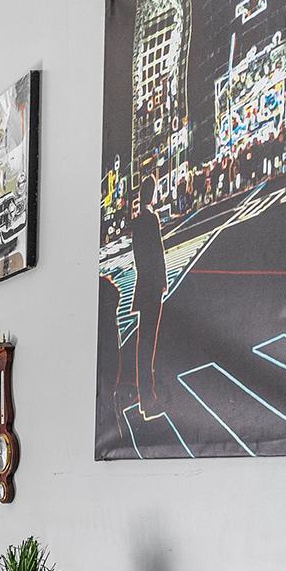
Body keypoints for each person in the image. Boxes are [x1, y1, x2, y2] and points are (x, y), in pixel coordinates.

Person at [130, 172, 168, 415]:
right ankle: (148, 397)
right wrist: (161, 281)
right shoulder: (151, 219)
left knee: (143, 342)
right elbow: (158, 253)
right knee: (149, 343)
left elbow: (139, 257)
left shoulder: (137, 220)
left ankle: (144, 397)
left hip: (143, 284)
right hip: (152, 286)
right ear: (151, 194)